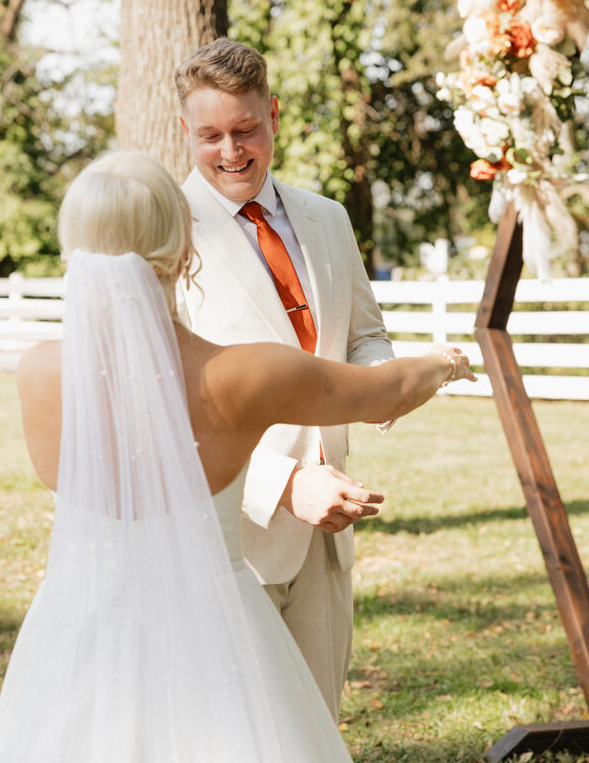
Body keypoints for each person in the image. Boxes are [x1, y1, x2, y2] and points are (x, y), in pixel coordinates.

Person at [0, 150, 475, 762]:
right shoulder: (242, 374)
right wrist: (445, 362)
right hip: (212, 636)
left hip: (75, 637)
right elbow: (388, 391)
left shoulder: (38, 374)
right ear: (184, 248)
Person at [175, 36, 395, 718]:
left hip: (330, 537)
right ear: (185, 130)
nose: (230, 151)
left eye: (245, 130)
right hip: (224, 534)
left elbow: (363, 333)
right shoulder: (160, 232)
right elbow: (165, 403)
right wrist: (286, 485)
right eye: (209, 135)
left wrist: (381, 384)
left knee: (316, 730)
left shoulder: (328, 219)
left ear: (272, 114)